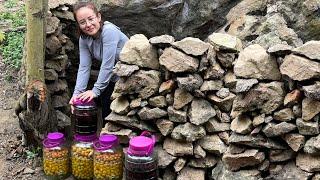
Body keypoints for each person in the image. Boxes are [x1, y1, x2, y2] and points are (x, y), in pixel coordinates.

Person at [69, 2, 129, 121]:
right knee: (107, 117)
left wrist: (95, 91)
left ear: (99, 17)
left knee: (124, 117)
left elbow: (108, 64)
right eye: (82, 22)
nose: (88, 25)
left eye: (91, 19)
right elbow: (84, 67)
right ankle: (105, 138)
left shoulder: (109, 31)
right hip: (111, 79)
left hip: (129, 78)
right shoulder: (84, 39)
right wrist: (76, 94)